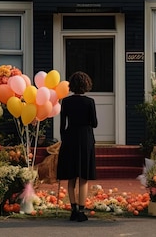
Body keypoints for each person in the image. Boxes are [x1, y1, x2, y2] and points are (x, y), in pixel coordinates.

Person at [56, 71, 98, 222]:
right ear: (86, 85)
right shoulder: (89, 102)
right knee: (83, 176)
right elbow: (94, 123)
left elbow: (62, 125)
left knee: (71, 176)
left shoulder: (66, 102)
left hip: (70, 138)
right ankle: (81, 209)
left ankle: (73, 209)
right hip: (85, 138)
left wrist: (64, 139)